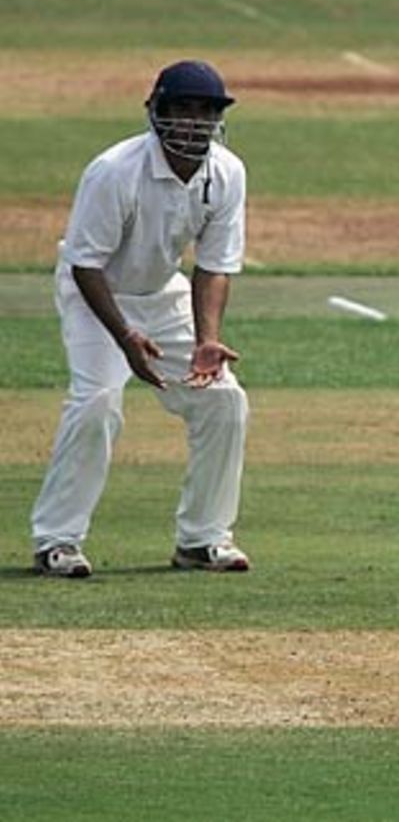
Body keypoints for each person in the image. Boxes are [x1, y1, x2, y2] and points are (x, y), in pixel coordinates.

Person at [31, 60, 252, 578]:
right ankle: (56, 541)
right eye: (182, 110)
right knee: (99, 401)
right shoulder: (114, 170)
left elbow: (215, 266)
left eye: (206, 111)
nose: (194, 122)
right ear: (158, 113)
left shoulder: (228, 172)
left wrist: (208, 340)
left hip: (161, 292)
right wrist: (126, 338)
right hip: (97, 294)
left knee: (224, 400)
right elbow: (85, 263)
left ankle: (202, 539)